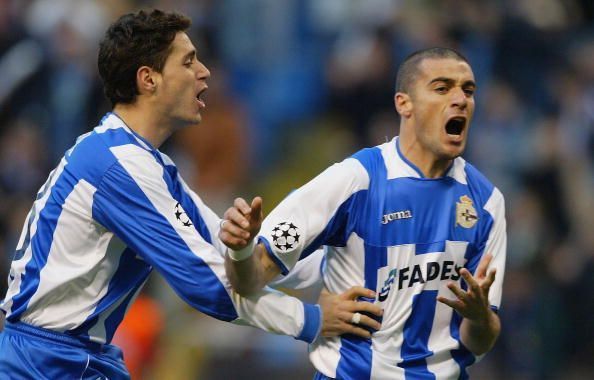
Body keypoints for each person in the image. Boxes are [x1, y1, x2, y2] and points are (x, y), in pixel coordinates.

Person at [0, 9, 381, 379]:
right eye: (188, 62)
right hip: (48, 362)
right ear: (148, 79)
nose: (204, 72)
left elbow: (222, 246)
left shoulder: (143, 162)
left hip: (70, 355)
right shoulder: (119, 167)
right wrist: (314, 319)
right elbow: (209, 285)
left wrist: (346, 271)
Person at [221, 47, 507, 379]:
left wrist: (480, 315)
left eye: (468, 90)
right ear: (404, 103)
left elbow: (479, 342)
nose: (460, 99)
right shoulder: (355, 180)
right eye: (442, 88)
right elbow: (250, 278)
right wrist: (241, 248)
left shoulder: (487, 203)